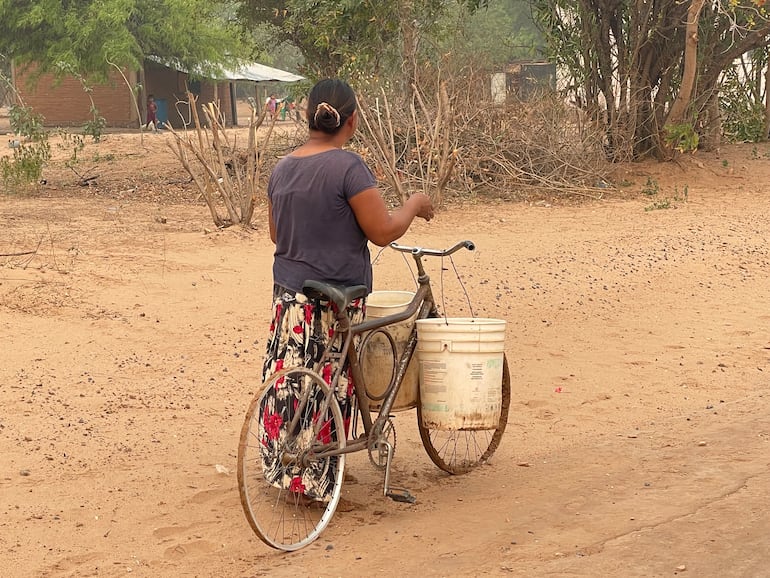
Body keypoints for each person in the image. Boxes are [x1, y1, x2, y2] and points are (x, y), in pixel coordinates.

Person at [259, 78, 433, 502]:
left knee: (291, 383)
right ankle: (317, 474)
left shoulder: (282, 168)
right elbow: (382, 231)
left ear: (308, 117)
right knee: (330, 384)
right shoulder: (348, 167)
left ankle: (289, 471)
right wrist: (413, 203)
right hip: (333, 299)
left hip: (289, 298)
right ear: (351, 120)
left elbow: (275, 233)